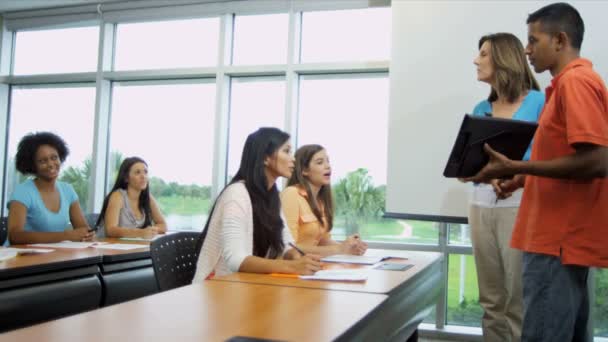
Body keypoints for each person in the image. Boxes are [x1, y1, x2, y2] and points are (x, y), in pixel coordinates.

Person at [465, 3, 608, 341]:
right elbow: (570, 159)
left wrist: (518, 165)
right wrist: (523, 178)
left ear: (559, 40)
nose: (526, 49)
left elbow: (598, 160)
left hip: (554, 240)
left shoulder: (575, 83)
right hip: (556, 239)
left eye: (533, 40)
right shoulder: (567, 85)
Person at [468, 33, 544, 342]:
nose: (476, 60)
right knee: (490, 300)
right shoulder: (480, 107)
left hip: (520, 205)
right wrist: (475, 172)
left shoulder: (539, 101)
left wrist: (516, 177)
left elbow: (550, 158)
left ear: (503, 58)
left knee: (517, 300)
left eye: (483, 54)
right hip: (479, 206)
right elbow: (468, 167)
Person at [192, 128, 322, 282]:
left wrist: (298, 258)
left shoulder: (273, 196)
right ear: (265, 158)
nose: (293, 159)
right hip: (218, 287)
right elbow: (235, 260)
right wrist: (293, 267)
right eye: (286, 151)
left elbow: (286, 245)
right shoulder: (237, 194)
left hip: (248, 284)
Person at [7, 132, 94, 244]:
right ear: (33, 165)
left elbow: (83, 229)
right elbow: (15, 236)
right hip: (21, 257)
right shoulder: (23, 192)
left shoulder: (67, 190)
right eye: (43, 161)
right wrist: (66, 236)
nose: (51, 164)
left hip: (55, 255)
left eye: (54, 158)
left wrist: (88, 234)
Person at [281, 144, 367, 256]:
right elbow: (289, 246)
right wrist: (339, 249)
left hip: (313, 265)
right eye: (320, 162)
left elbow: (322, 241)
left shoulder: (321, 200)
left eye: (328, 161)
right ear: (304, 170)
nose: (327, 166)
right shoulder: (291, 194)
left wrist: (349, 247)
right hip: (294, 267)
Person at [97, 157, 167, 239]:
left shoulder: (148, 197)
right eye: (137, 172)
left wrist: (151, 230)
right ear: (126, 178)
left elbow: (163, 225)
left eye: (145, 172)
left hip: (131, 246)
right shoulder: (117, 196)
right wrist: (141, 233)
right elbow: (110, 230)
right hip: (107, 247)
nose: (143, 176)